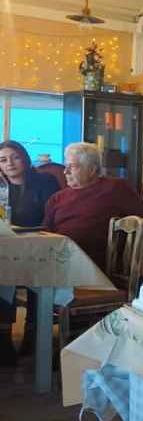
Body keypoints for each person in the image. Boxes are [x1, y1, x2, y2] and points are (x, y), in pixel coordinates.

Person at [43, 142, 143, 276]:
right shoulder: (57, 198)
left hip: (98, 265)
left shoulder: (115, 188)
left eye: (72, 167)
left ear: (91, 169)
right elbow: (46, 231)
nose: (65, 172)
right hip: (60, 260)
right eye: (65, 166)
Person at [0, 141, 60, 365]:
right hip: (8, 248)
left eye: (15, 157)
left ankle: (33, 333)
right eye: (3, 160)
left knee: (38, 276)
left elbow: (54, 215)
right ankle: (4, 337)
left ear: (25, 159)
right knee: (3, 274)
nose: (10, 163)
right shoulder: (0, 185)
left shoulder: (46, 181)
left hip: (40, 247)